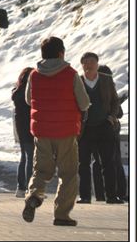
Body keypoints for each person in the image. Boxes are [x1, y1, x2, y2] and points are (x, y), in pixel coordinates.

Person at [22, 36, 91, 227]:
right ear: (61, 53)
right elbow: (84, 103)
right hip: (66, 131)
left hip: (42, 131)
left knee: (41, 170)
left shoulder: (34, 74)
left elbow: (29, 100)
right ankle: (61, 215)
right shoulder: (71, 74)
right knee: (68, 174)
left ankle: (34, 196)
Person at [76, 53, 122, 205]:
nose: (89, 65)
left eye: (92, 62)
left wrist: (112, 117)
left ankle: (111, 196)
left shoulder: (105, 79)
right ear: (82, 65)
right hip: (85, 128)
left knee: (108, 162)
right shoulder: (77, 81)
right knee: (83, 164)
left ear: (97, 63)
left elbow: (115, 100)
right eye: (86, 63)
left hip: (104, 126)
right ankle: (85, 196)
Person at [93, 65, 127, 202]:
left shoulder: (91, 88)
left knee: (97, 162)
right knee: (114, 161)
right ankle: (119, 192)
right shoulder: (109, 88)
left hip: (93, 130)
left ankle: (100, 194)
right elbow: (119, 112)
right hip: (110, 130)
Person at [12, 66, 36, 198]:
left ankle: (20, 188)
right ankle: (29, 188)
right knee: (31, 158)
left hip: (21, 130)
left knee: (24, 157)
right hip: (30, 128)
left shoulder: (17, 92)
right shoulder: (30, 92)